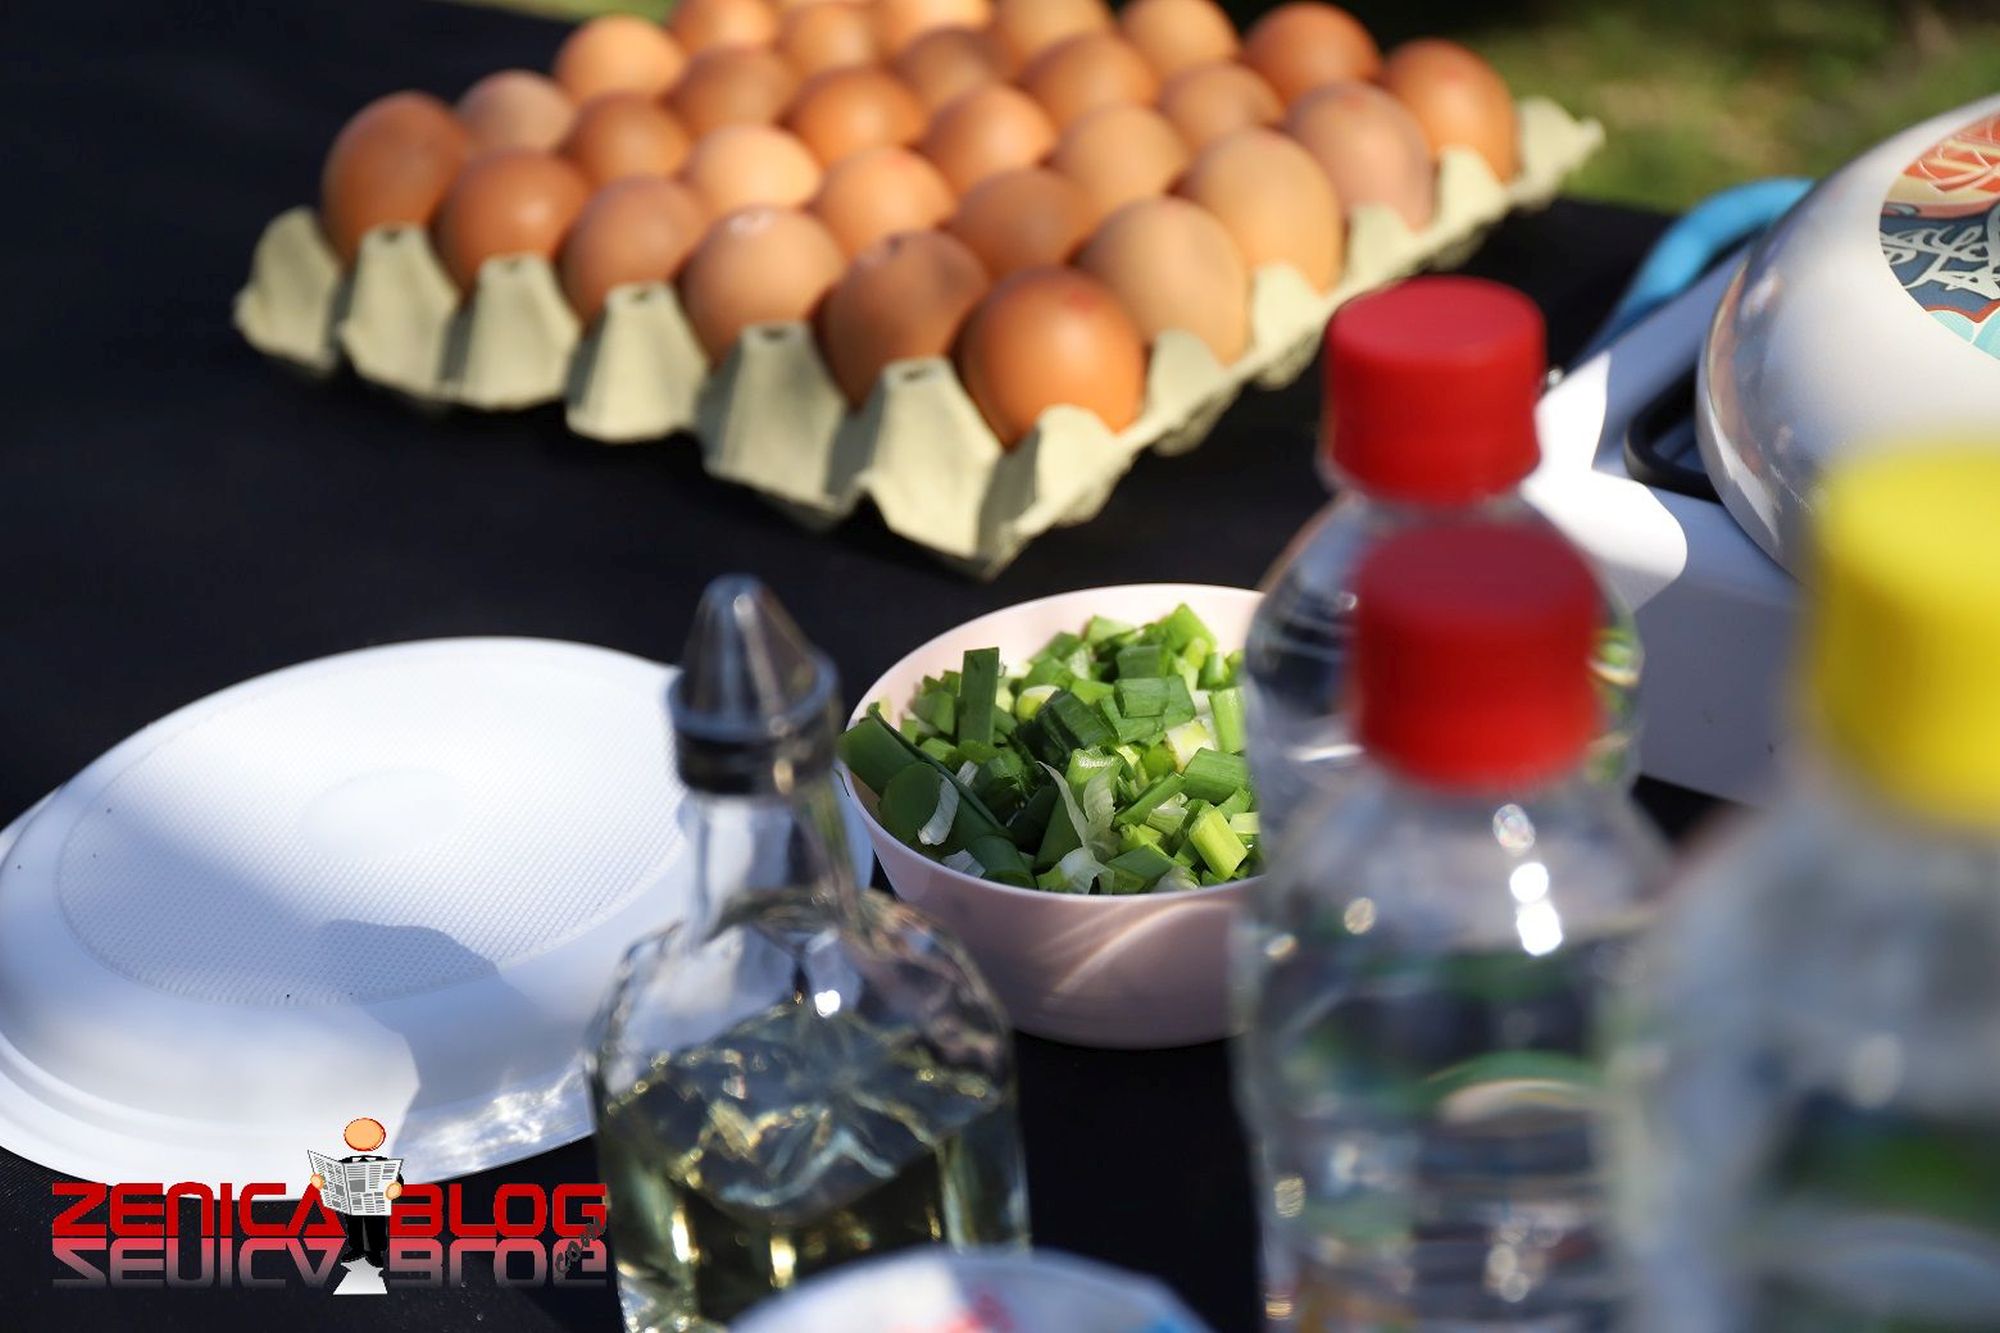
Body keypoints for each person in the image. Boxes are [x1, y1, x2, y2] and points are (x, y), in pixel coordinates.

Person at [309, 1116, 405, 1269]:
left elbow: (396, 1179)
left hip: (375, 1202)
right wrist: (321, 1183)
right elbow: (332, 1176)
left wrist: (395, 1188)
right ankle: (357, 1248)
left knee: (375, 1225)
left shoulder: (384, 1162)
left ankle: (374, 1252)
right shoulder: (345, 1162)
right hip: (351, 1201)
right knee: (354, 1224)